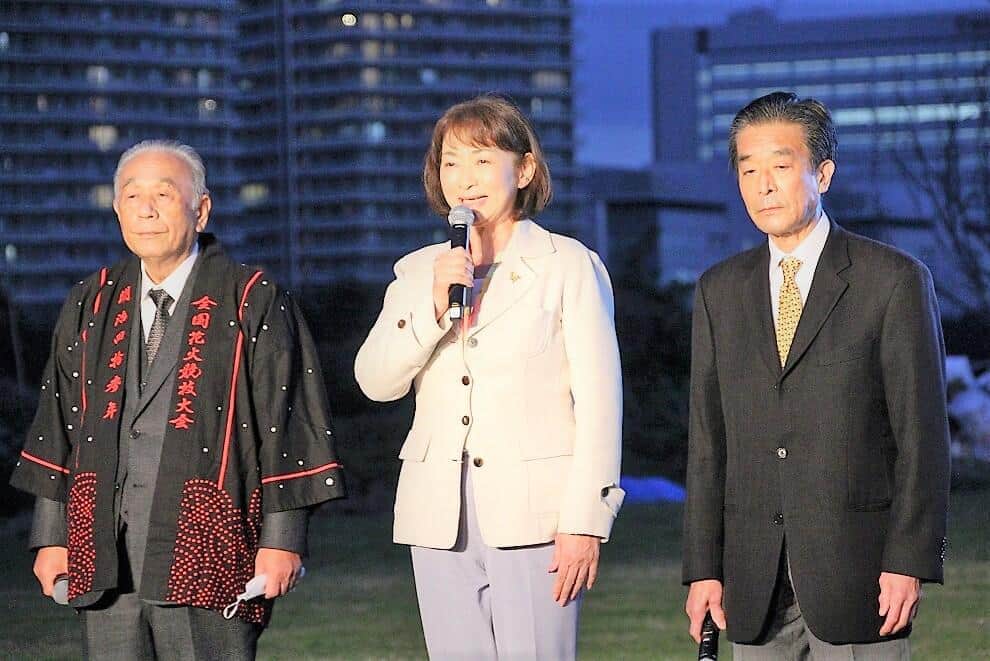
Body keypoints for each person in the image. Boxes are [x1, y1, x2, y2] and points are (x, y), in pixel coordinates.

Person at [11, 140, 346, 659]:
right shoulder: (91, 302)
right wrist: (51, 535)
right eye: (132, 195)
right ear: (117, 208)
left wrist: (283, 540)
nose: (146, 209)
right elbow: (58, 424)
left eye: (164, 194)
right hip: (104, 552)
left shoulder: (252, 298)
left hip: (207, 547)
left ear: (201, 208)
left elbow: (289, 423)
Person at [682, 91, 951, 660]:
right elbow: (708, 444)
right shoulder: (718, 291)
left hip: (861, 575)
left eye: (781, 166)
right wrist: (703, 568)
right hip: (751, 582)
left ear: (823, 174)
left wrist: (909, 559)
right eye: (748, 169)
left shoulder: (892, 281)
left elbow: (922, 436)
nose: (763, 185)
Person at [354, 95, 624, 659]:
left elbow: (601, 404)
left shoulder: (567, 264)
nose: (465, 179)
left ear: (523, 169)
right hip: (437, 512)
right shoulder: (417, 271)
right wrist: (432, 307)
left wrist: (585, 521)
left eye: (482, 160)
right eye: (451, 162)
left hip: (537, 513)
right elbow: (375, 380)